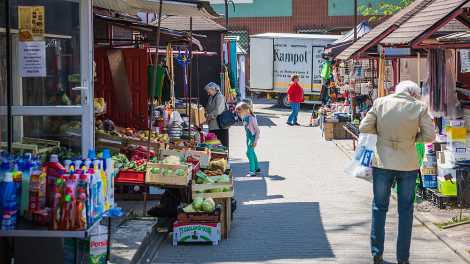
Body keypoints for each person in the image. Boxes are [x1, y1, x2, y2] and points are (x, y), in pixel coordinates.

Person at [359, 81, 435, 264]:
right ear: (413, 94)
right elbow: (429, 136)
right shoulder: (420, 107)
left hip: (383, 161)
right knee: (406, 210)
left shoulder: (380, 102)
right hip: (407, 163)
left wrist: (382, 135)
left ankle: (377, 254)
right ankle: (403, 258)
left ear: (398, 90)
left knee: (379, 207)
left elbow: (364, 127)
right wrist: (409, 139)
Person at [236, 102, 260, 177]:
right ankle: (257, 167)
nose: (238, 113)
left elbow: (258, 130)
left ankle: (252, 171)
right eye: (238, 112)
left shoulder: (252, 119)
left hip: (253, 137)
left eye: (239, 112)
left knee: (249, 153)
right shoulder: (243, 117)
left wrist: (255, 141)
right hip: (248, 137)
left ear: (246, 110)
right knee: (252, 152)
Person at [204, 82, 229, 147]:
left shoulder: (220, 97)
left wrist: (209, 116)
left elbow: (217, 111)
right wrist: (206, 114)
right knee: (213, 145)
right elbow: (206, 108)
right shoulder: (210, 98)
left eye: (209, 92)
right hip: (213, 126)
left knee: (222, 145)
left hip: (220, 126)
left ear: (214, 89)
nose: (208, 94)